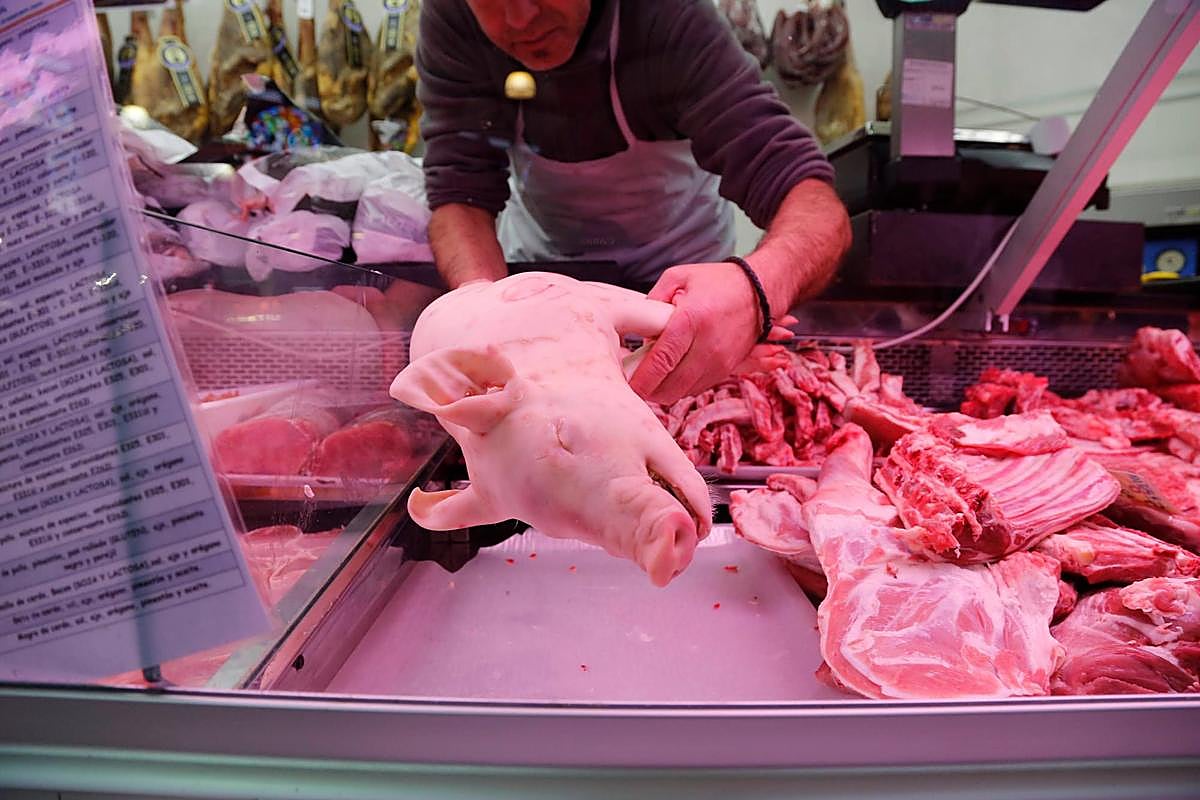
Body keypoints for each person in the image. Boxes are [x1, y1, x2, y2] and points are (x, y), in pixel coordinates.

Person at [416, 0, 851, 404]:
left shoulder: (667, 15)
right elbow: (460, 197)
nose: (520, 18)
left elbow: (809, 200)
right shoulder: (452, 18)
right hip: (542, 280)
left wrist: (752, 291)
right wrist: (483, 311)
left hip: (678, 295)